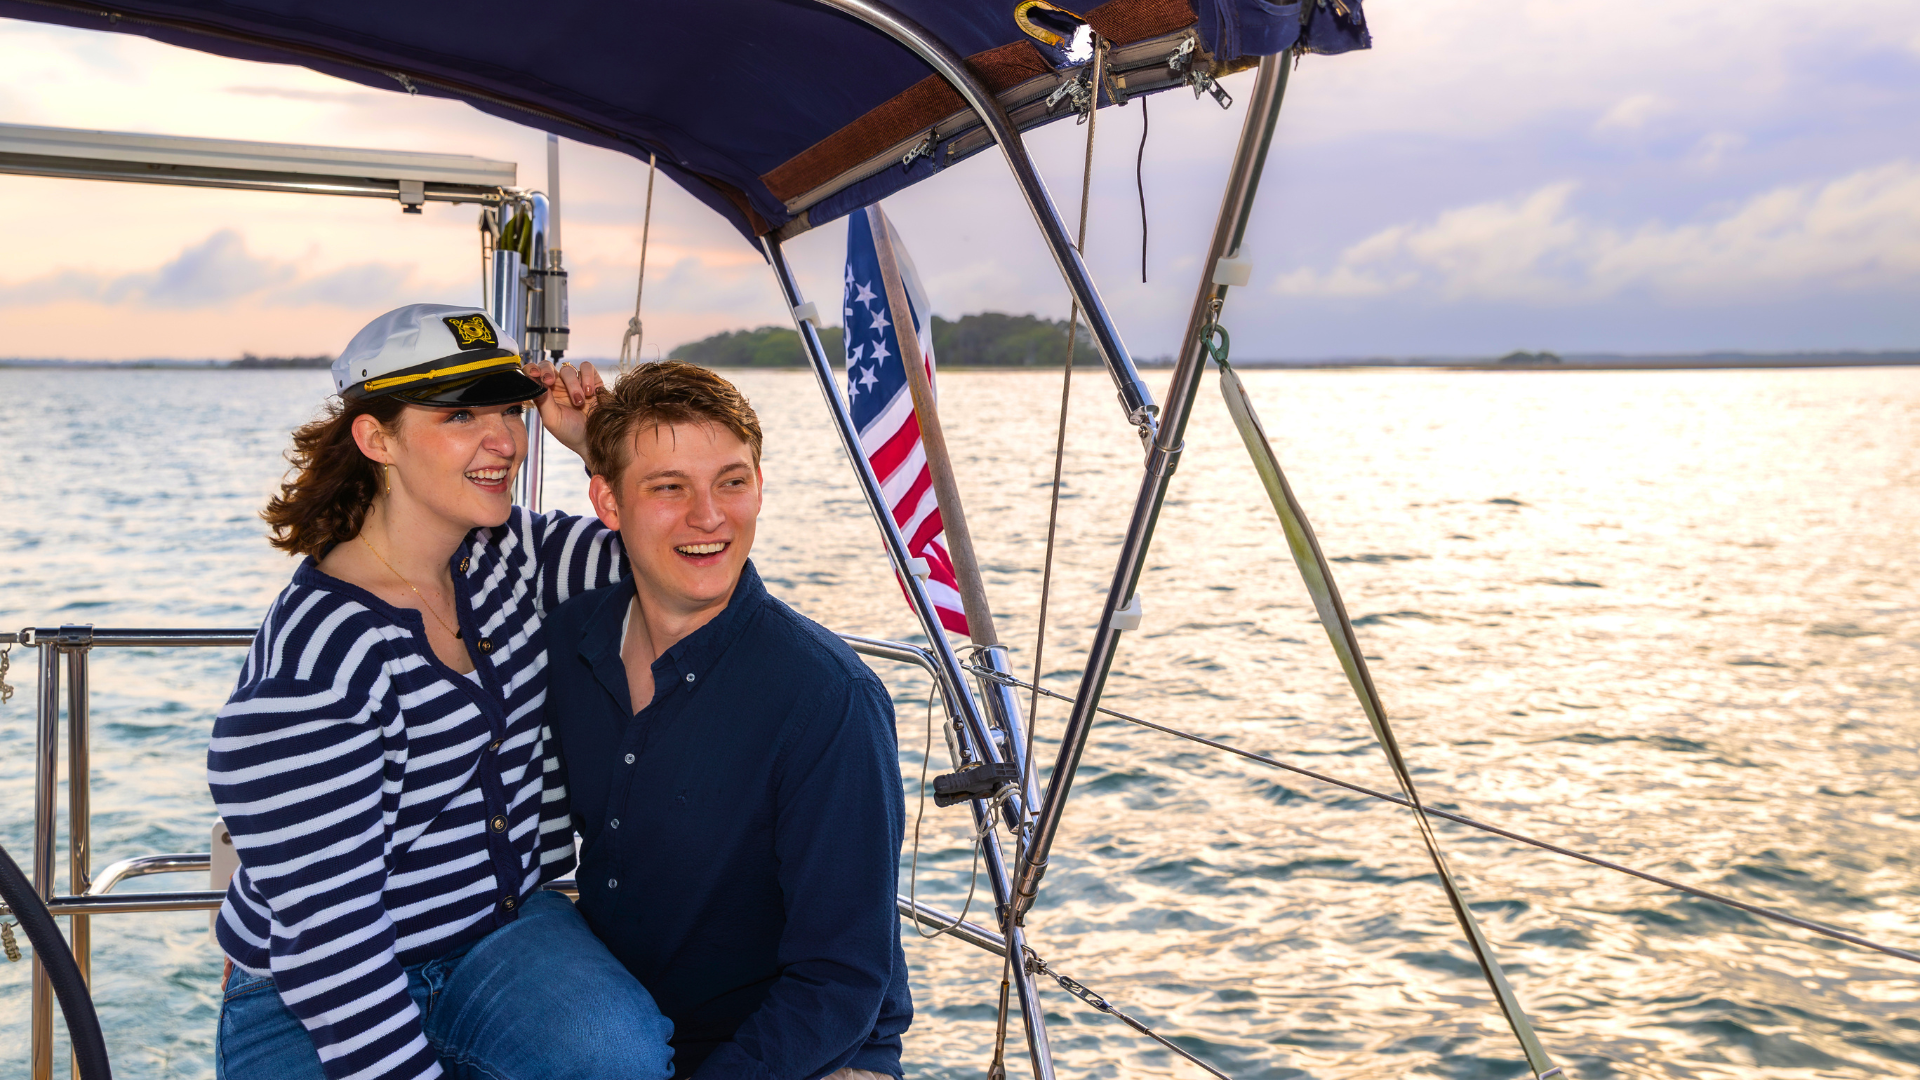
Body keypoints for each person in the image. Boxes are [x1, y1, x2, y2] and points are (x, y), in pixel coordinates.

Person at [209, 304, 673, 1080]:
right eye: (461, 415)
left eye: (508, 410)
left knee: (621, 1057)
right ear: (376, 438)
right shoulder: (319, 658)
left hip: (497, 937)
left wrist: (605, 448)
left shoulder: (504, 555)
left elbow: (678, 561)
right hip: (316, 987)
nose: (505, 442)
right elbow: (332, 942)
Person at [544, 361, 912, 1080]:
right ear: (608, 503)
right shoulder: (570, 643)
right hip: (622, 1028)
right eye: (668, 487)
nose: (709, 516)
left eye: (732, 481)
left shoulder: (827, 700)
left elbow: (840, 982)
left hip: (801, 1053)